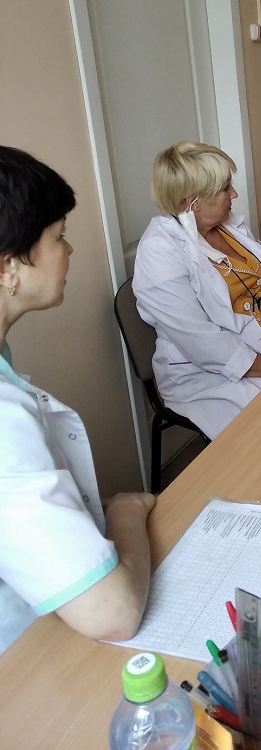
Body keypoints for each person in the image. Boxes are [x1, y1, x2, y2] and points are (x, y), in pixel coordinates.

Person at [0, 147, 154, 653]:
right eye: (58, 235)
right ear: (8, 266)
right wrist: (127, 510)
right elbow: (113, 613)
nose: (69, 250)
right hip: (26, 660)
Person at [133, 141, 261, 440]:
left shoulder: (229, 228)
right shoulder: (159, 252)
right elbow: (201, 342)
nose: (234, 194)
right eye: (225, 188)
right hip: (214, 374)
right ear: (194, 202)